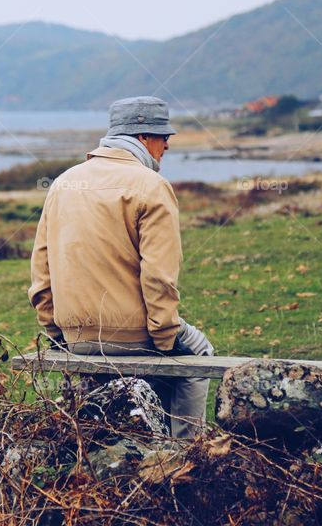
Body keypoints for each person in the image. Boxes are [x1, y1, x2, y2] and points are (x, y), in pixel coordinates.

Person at [27, 95, 214, 438]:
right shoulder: (151, 186)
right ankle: (188, 450)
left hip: (75, 336)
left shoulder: (63, 183)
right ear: (143, 137)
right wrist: (165, 338)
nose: (167, 146)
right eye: (164, 137)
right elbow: (159, 278)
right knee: (199, 353)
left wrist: (56, 334)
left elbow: (41, 275)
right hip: (133, 335)